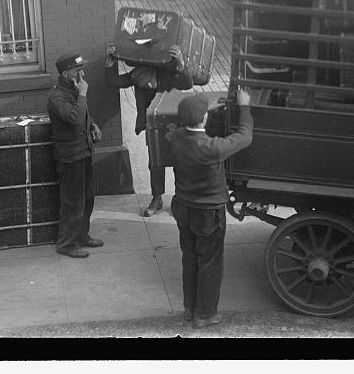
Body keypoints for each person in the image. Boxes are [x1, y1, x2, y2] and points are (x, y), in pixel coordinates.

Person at [166, 88, 253, 329]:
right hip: (207, 214)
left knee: (190, 259)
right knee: (210, 262)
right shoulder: (211, 148)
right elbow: (245, 136)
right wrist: (244, 106)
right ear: (203, 118)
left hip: (183, 207)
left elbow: (187, 126)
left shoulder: (176, 137)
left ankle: (190, 309)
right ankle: (205, 315)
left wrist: (209, 110)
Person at [105, 43, 193, 217]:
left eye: (150, 83)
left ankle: (180, 198)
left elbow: (187, 83)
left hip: (174, 124)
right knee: (155, 162)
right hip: (153, 125)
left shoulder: (168, 72)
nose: (148, 86)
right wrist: (110, 63)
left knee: (178, 161)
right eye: (144, 85)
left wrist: (180, 64)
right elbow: (114, 81)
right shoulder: (139, 73)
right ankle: (157, 199)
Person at [48, 52, 104, 258]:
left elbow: (82, 116)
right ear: (65, 74)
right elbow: (73, 118)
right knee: (73, 202)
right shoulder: (57, 96)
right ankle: (67, 243)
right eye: (77, 70)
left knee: (87, 197)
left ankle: (82, 235)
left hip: (84, 152)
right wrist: (83, 94)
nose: (82, 74)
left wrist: (92, 124)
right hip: (70, 157)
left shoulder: (75, 90)